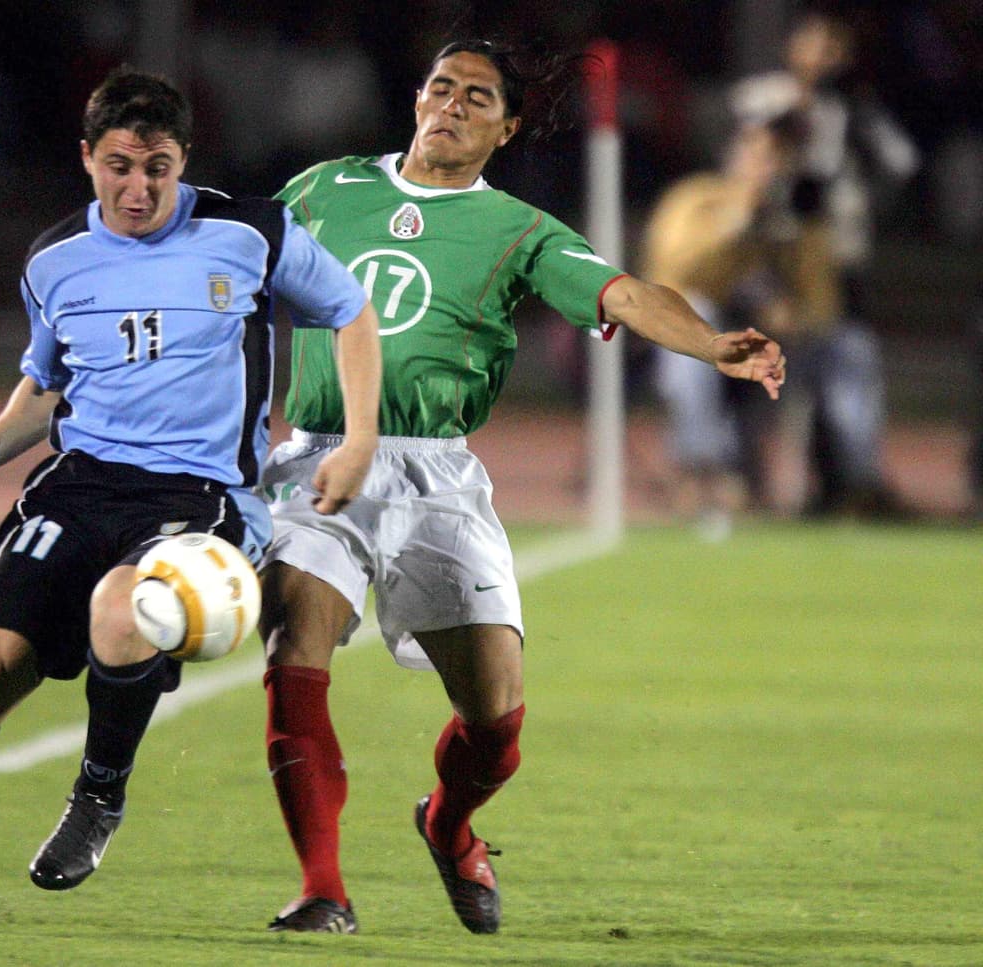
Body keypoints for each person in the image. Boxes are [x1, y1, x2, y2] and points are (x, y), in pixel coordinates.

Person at [0, 64, 381, 930]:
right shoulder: (55, 260)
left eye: (157, 167)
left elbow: (351, 312)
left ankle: (99, 793)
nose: (138, 187)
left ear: (183, 161)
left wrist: (357, 440)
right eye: (120, 166)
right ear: (88, 159)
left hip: (199, 493)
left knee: (121, 612)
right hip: (78, 485)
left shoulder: (251, 233)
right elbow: (46, 384)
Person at [255, 39, 786, 936]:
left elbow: (620, 293)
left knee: (495, 720)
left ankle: (448, 821)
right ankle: (321, 888)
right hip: (320, 456)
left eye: (476, 97)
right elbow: (224, 261)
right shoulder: (322, 190)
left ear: (506, 127)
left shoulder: (519, 230)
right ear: (416, 97)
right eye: (438, 86)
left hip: (436, 473)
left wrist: (711, 344)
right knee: (293, 645)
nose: (450, 105)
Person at [731, 9, 920, 516]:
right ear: (792, 46)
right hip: (766, 262)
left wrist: (860, 127)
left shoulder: (853, 109)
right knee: (760, 375)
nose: (823, 57)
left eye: (833, 48)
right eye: (814, 44)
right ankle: (748, 481)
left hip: (833, 264)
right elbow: (742, 167)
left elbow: (903, 164)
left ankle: (850, 483)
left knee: (844, 371)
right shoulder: (765, 97)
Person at [641, 112, 818, 537]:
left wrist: (786, 309)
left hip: (753, 341)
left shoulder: (786, 220)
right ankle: (703, 470)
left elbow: (813, 294)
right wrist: (736, 218)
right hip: (673, 336)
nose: (765, 168)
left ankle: (830, 484)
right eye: (756, 155)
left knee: (835, 348)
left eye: (775, 159)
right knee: (699, 316)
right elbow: (672, 271)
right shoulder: (696, 199)